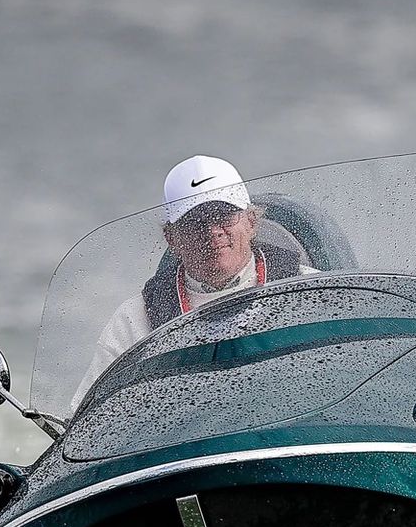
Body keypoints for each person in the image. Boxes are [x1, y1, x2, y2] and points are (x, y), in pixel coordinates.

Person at [74, 155, 311, 407]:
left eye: (224, 215)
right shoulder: (134, 320)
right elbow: (87, 420)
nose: (212, 231)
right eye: (194, 222)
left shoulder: (312, 290)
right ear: (171, 238)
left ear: (252, 223)